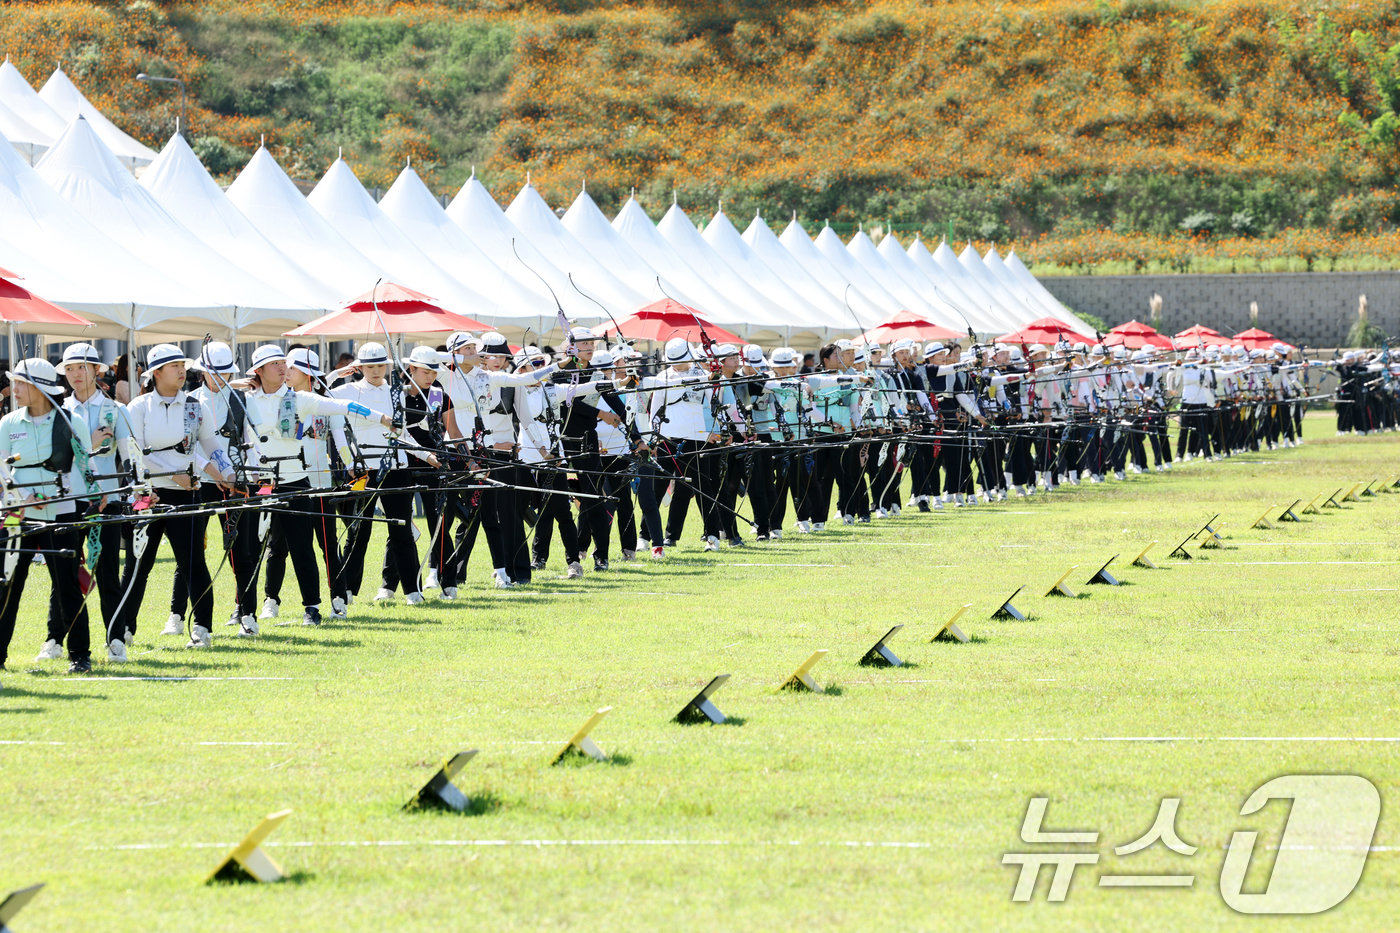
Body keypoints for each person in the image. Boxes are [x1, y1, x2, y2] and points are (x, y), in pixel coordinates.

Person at [246, 343, 406, 624]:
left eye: (286, 364)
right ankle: (255, 606)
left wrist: (380, 418)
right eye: (277, 364)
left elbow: (343, 406)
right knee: (261, 544)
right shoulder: (247, 399)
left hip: (306, 480)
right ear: (258, 371)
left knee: (311, 546)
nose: (284, 368)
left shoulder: (302, 399)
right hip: (264, 481)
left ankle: (318, 605)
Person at [112, 345, 230, 649]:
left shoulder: (194, 406)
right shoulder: (137, 407)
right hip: (147, 495)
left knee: (193, 563)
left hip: (186, 493)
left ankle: (202, 627)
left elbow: (211, 445)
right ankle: (124, 629)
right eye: (174, 365)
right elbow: (136, 453)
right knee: (138, 565)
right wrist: (171, 474)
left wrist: (228, 474)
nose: (182, 370)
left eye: (182, 364)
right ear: (156, 373)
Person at [0, 359, 94, 672]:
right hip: (16, 514)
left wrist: (51, 496)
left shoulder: (69, 421)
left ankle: (80, 656)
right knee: (6, 581)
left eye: (20, 383)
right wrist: (18, 497)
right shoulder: (9, 422)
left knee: (67, 584)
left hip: (61, 511)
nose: (14, 389)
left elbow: (83, 469)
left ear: (40, 389)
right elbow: (1, 471)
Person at [261, 347, 352, 620]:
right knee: (278, 544)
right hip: (288, 480)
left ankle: (338, 598)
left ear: (307, 374)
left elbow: (341, 441)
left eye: (292, 368)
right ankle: (271, 600)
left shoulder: (324, 403)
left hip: (320, 481)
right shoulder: (280, 399)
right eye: (283, 367)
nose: (285, 372)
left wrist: (353, 468)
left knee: (326, 542)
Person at [56, 344, 131, 660]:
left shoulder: (116, 410)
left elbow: (129, 459)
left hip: (107, 501)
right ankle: (54, 640)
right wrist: (93, 441)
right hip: (69, 501)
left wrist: (138, 489)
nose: (75, 374)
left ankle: (116, 640)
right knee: (65, 574)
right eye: (70, 369)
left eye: (81, 367)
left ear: (97, 371)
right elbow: (57, 457)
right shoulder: (58, 411)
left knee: (108, 575)